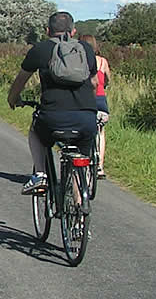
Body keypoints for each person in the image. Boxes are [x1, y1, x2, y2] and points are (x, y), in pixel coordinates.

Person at [7, 12, 98, 195]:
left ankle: (40, 174)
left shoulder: (40, 49)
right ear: (73, 31)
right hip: (86, 117)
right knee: (80, 157)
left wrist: (13, 99)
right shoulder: (85, 49)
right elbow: (95, 83)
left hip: (53, 117)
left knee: (35, 131)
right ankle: (80, 211)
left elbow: (20, 80)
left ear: (48, 30)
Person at [80, 34, 110, 178]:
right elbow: (108, 79)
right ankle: (100, 167)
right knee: (101, 133)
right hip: (101, 101)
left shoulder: (80, 61)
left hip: (86, 101)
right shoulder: (103, 62)